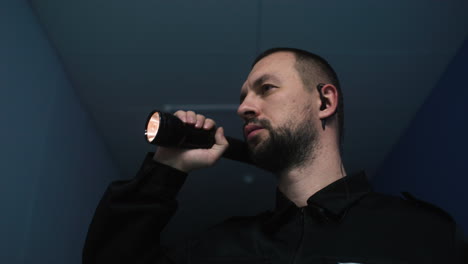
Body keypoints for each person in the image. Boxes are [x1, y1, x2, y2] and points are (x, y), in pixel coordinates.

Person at [82, 48, 467, 264]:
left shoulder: (424, 233)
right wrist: (167, 167)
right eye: (243, 98)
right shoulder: (221, 248)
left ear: (324, 100)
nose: (244, 108)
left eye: (266, 88)